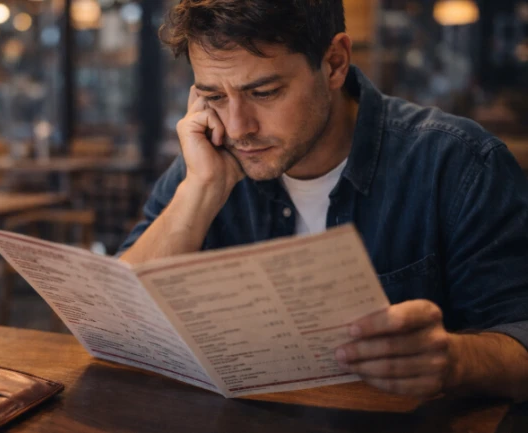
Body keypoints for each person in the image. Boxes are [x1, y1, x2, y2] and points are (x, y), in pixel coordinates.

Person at [118, 0, 528, 400]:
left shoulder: (458, 163)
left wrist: (456, 360)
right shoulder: (211, 157)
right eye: (214, 97)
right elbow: (117, 322)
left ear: (334, 62)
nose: (238, 127)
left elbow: (519, 336)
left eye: (263, 92)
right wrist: (201, 190)